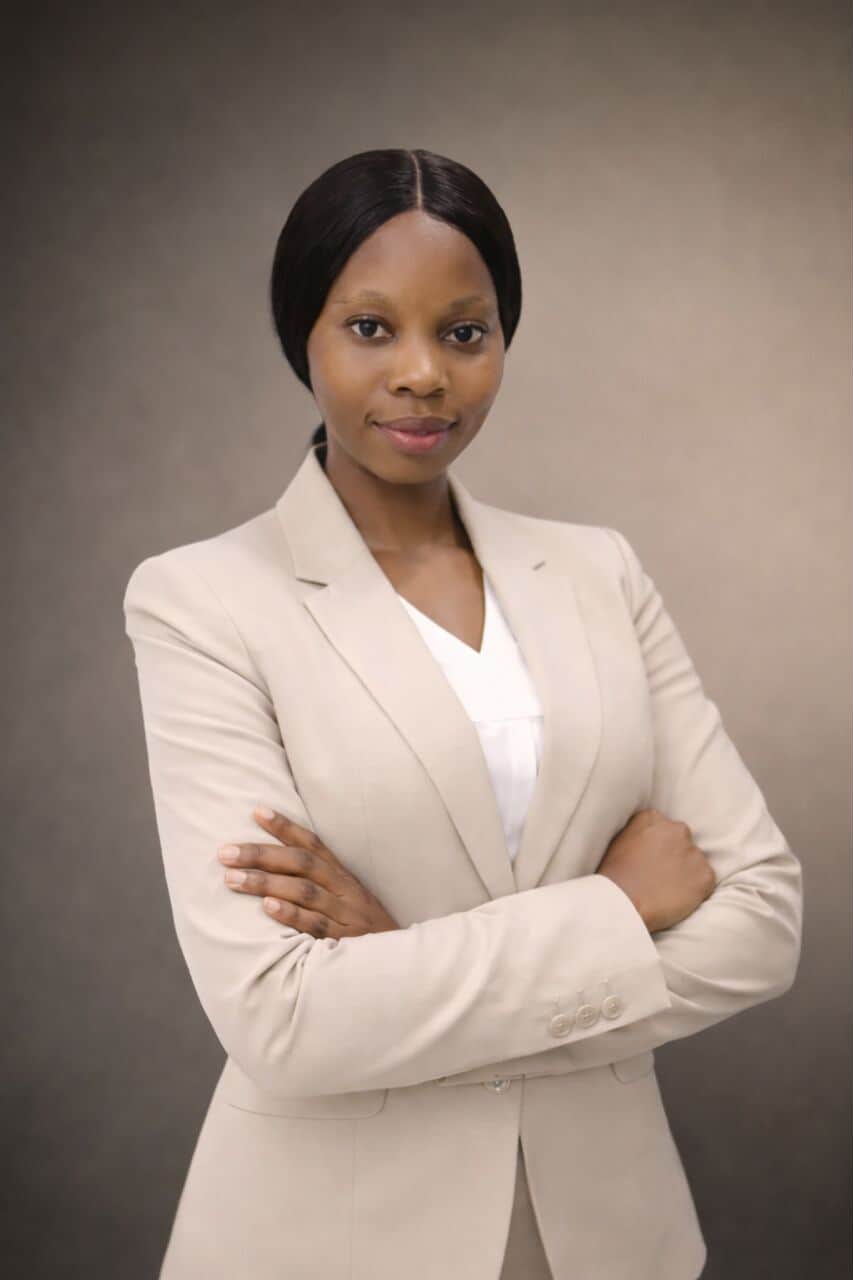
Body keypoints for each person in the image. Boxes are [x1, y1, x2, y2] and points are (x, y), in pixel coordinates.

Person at [123, 147, 803, 1280]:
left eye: (465, 332)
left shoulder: (597, 572)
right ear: (302, 336)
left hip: (611, 1234)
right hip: (332, 1239)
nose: (423, 373)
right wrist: (615, 913)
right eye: (370, 327)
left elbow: (763, 921)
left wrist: (395, 966)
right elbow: (282, 1020)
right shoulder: (202, 600)